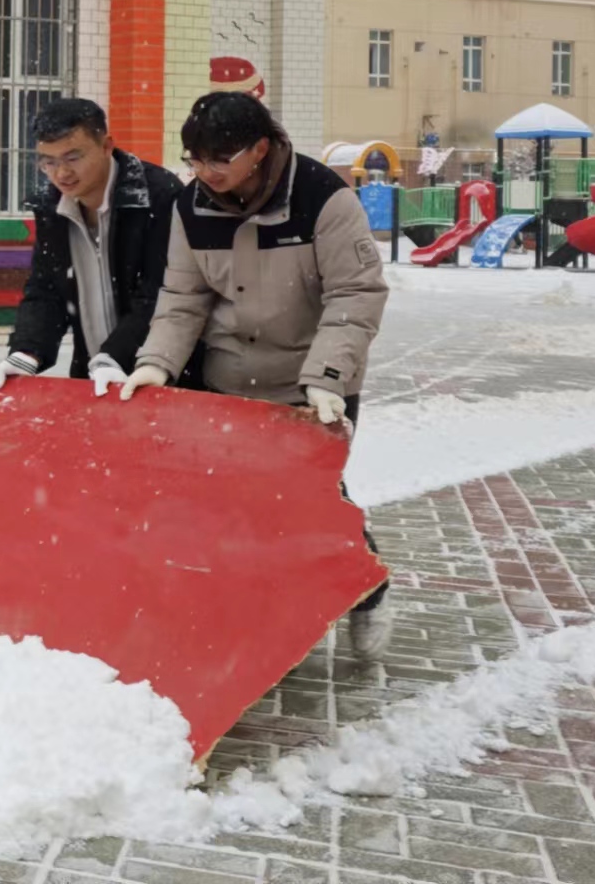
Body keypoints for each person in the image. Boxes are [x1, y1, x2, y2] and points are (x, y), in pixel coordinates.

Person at [116, 91, 394, 659]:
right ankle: (260, 625)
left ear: (260, 149)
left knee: (310, 510)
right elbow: (183, 297)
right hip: (228, 383)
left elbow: (355, 294)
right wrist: (155, 363)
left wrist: (326, 376)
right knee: (231, 511)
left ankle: (367, 593)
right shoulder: (192, 206)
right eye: (194, 160)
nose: (205, 172)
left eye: (220, 159)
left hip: (311, 385)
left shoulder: (323, 199)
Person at [0, 98, 183, 396]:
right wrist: (27, 351)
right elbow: (46, 288)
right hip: (94, 377)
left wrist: (117, 355)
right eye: (48, 162)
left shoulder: (158, 196)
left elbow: (161, 292)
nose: (61, 174)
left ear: (106, 146)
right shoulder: (51, 205)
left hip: (163, 376)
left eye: (73, 158)